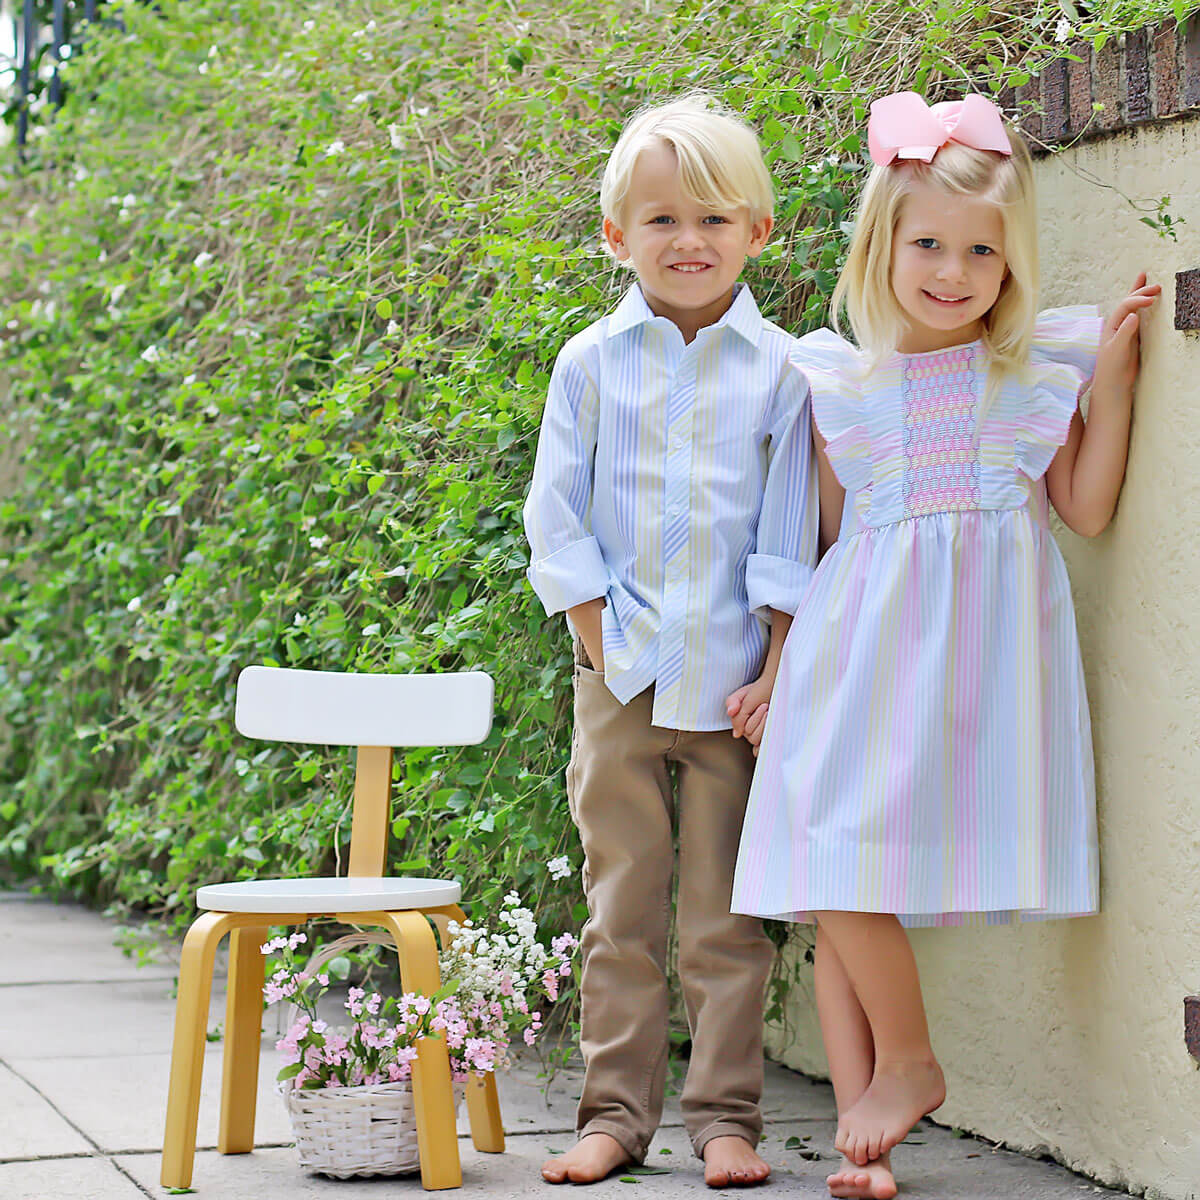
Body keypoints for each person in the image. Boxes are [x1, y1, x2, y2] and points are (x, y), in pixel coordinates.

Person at [729, 91, 1160, 1200]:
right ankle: (869, 1130)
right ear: (883, 244)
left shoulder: (1032, 373)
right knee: (828, 872)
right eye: (928, 243)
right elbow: (823, 546)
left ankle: (904, 1069)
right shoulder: (840, 381)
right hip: (851, 655)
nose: (954, 271)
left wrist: (1109, 388)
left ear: (1010, 266)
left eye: (982, 252)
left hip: (966, 664)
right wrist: (777, 672)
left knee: (841, 868)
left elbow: (1089, 507)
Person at [522, 93, 818, 1187]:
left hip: (740, 688)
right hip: (621, 683)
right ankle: (613, 1115)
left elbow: (792, 530)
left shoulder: (785, 371)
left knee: (729, 920)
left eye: (713, 220)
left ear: (757, 233)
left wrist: (778, 663)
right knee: (621, 906)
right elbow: (555, 515)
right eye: (660, 222)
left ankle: (726, 1117)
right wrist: (599, 639)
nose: (687, 242)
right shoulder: (590, 364)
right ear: (616, 236)